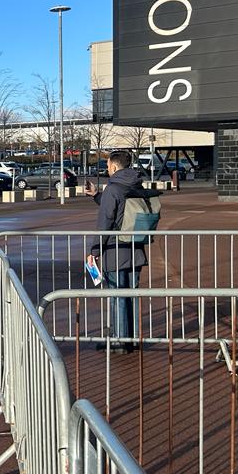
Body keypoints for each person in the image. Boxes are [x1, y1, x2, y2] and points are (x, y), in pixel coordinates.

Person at [84, 150, 158, 352]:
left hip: (115, 251)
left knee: (117, 297)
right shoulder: (136, 184)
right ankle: (131, 340)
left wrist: (94, 249)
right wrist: (97, 196)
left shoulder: (113, 188)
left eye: (108, 166)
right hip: (135, 248)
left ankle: (119, 342)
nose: (107, 169)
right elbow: (123, 211)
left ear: (115, 167)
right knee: (131, 295)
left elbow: (107, 220)